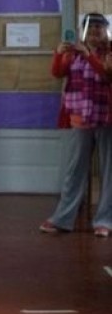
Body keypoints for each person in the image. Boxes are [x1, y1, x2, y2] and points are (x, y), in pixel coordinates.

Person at [40, 13, 112, 237]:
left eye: (99, 28)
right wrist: (59, 54)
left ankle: (105, 221)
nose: (94, 32)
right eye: (90, 28)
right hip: (79, 119)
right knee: (74, 171)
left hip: (106, 118)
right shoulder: (74, 52)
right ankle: (62, 219)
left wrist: (88, 54)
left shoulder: (109, 51)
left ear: (106, 31)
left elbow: (108, 74)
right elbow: (57, 73)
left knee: (109, 172)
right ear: (82, 31)